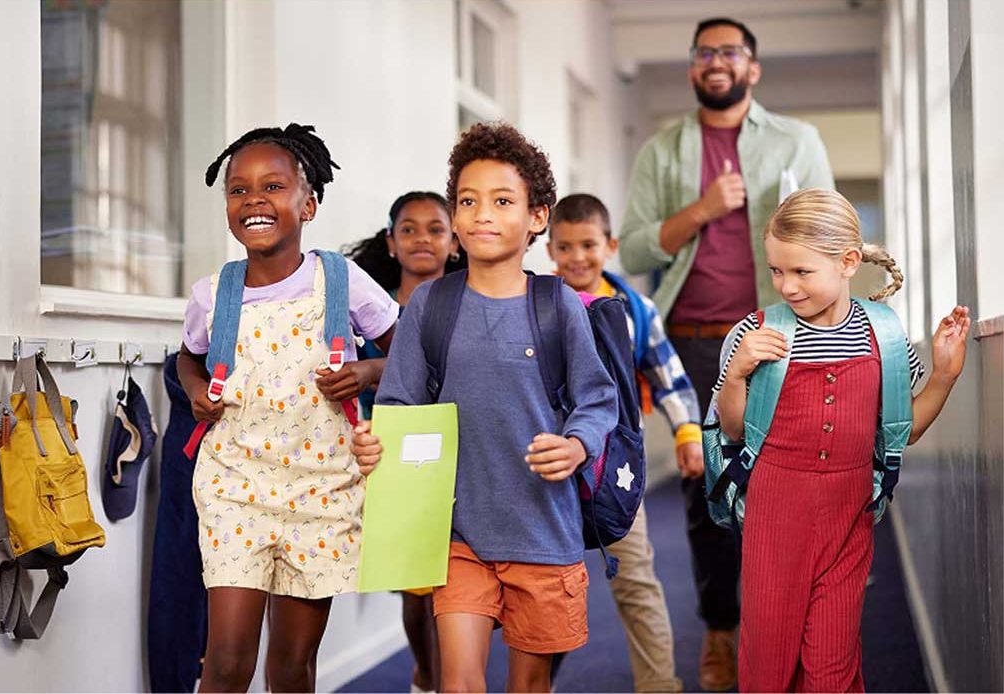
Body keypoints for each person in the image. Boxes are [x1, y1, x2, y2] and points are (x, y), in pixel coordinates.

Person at [351, 122, 618, 693]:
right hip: (457, 533)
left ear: (537, 217)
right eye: (468, 201)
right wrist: (376, 442)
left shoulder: (558, 305)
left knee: (527, 686)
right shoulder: (430, 304)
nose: (482, 215)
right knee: (459, 683)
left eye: (502, 201)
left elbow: (598, 399)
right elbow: (399, 403)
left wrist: (574, 445)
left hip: (543, 532)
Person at [616, 17, 835, 689]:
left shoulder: (799, 141)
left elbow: (826, 236)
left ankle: (791, 629)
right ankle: (720, 631)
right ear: (691, 69)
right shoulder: (662, 150)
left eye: (730, 52)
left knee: (789, 491)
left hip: (781, 338)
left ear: (753, 67)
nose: (717, 62)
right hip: (694, 345)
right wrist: (704, 209)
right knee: (709, 492)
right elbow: (633, 250)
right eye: (704, 52)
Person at [713, 188, 970, 691]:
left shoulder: (887, 337)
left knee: (833, 662)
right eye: (776, 270)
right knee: (768, 658)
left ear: (849, 261)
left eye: (802, 272)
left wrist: (943, 376)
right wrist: (737, 373)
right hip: (773, 518)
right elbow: (733, 428)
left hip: (850, 519)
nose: (786, 286)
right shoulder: (755, 331)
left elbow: (905, 430)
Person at [177, 123, 399, 693]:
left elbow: (408, 355)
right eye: (238, 189)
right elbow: (187, 359)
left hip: (320, 488)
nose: (254, 199)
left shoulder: (342, 280)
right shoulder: (212, 293)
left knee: (291, 666)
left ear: (310, 204)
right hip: (235, 486)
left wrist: (365, 371)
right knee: (226, 662)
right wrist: (195, 389)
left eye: (273, 187)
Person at [546, 193, 698, 692]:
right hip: (552, 467)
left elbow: (669, 376)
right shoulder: (537, 302)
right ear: (549, 250)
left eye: (588, 245)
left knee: (635, 580)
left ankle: (659, 684)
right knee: (548, 591)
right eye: (564, 247)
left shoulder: (636, 309)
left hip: (616, 470)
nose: (577, 258)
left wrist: (686, 431)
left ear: (609, 245)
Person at [345, 190, 465, 692]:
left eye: (435, 228)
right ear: (391, 243)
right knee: (415, 587)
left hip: (460, 449)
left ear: (454, 242)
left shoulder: (467, 302)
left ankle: (455, 673)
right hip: (388, 454)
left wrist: (374, 369)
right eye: (409, 229)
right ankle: (427, 674)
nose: (422, 239)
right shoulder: (368, 311)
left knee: (458, 580)